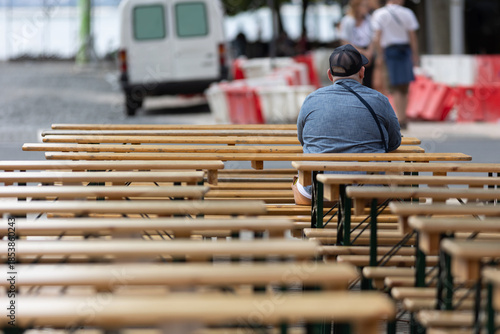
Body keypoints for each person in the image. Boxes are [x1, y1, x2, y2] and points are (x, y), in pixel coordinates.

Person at [292, 44, 401, 205]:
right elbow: (394, 143)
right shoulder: (380, 100)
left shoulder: (311, 99)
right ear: (362, 72)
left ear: (330, 75)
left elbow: (303, 140)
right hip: (369, 193)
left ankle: (306, 229)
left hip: (317, 194)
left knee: (297, 181)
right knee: (396, 182)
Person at [371, 0, 420, 129]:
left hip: (390, 51)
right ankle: (403, 116)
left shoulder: (380, 13)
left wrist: (380, 54)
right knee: (404, 86)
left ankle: (400, 117)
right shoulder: (407, 13)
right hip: (405, 50)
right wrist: (415, 54)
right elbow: (412, 36)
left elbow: (377, 36)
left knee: (395, 86)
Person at [338, 0, 375, 88]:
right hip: (354, 52)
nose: (366, 8)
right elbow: (345, 41)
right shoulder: (348, 20)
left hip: (367, 51)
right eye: (364, 6)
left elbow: (372, 37)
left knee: (369, 81)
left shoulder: (368, 19)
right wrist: (362, 52)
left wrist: (369, 52)